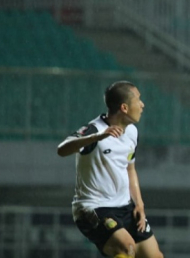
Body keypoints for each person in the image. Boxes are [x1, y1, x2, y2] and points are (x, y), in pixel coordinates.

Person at [57, 81, 163, 258]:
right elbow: (62, 149)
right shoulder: (94, 130)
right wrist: (95, 138)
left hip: (124, 207)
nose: (142, 104)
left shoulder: (132, 132)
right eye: (138, 99)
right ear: (124, 107)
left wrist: (139, 203)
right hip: (94, 208)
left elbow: (130, 169)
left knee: (154, 256)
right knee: (126, 248)